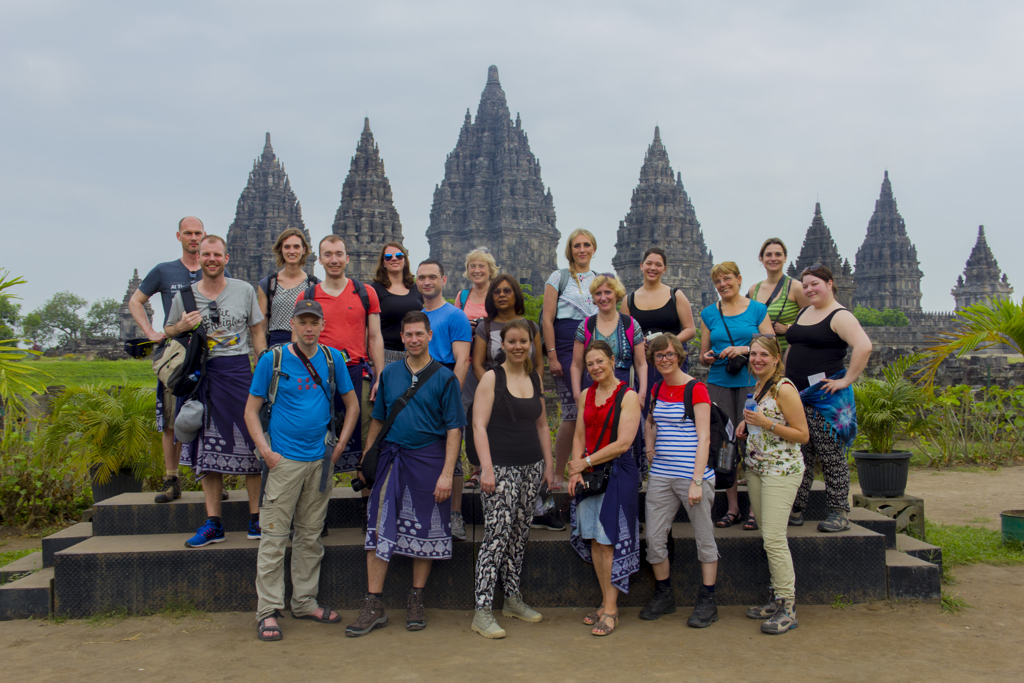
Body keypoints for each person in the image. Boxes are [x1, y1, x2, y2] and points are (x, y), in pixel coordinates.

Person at [245, 299, 361, 642]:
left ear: (322, 325)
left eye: (314, 322)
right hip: (284, 461)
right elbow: (251, 410)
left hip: (320, 459)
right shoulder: (273, 359)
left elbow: (351, 404)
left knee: (310, 535)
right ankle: (267, 610)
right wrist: (266, 452)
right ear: (292, 324)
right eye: (303, 322)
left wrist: (340, 445)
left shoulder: (332, 358)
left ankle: (305, 601)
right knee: (274, 536)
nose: (309, 328)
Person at [345, 311, 465, 637]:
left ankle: (416, 597)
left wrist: (445, 474)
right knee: (377, 525)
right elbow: (380, 419)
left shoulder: (444, 378)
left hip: (429, 459)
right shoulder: (391, 373)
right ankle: (374, 601)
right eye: (408, 335)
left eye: (419, 334)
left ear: (429, 336)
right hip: (391, 457)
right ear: (402, 337)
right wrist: (368, 459)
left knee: (425, 528)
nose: (413, 340)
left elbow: (455, 429)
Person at [164, 235, 267, 547]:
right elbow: (168, 331)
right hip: (201, 376)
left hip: (238, 372)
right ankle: (213, 523)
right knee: (207, 450)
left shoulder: (244, 290)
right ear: (199, 256)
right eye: (206, 254)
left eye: (216, 254)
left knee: (251, 444)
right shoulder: (185, 295)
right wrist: (180, 326)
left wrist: (263, 368)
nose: (211, 259)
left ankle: (256, 518)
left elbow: (257, 330)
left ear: (226, 257)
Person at [470, 319, 554, 638]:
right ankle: (482, 609)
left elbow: (543, 425)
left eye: (524, 341)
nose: (519, 346)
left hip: (530, 466)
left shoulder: (534, 377)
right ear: (501, 345)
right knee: (497, 535)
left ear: (531, 344)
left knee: (519, 534)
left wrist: (548, 465)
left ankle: (512, 599)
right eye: (512, 341)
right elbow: (479, 426)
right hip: (501, 467)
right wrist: (487, 467)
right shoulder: (492, 377)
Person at [640, 333, 719, 628]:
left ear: (680, 356)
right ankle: (664, 593)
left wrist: (697, 480)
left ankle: (708, 598)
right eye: (659, 355)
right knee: (655, 539)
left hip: (691, 475)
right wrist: (650, 446)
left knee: (704, 537)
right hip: (661, 474)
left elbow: (704, 436)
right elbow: (650, 420)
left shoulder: (696, 389)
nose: (664, 360)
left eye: (670, 354)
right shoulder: (658, 388)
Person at [785, 264, 872, 532]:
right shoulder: (803, 312)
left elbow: (864, 346)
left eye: (815, 284)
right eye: (806, 285)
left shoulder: (839, 315)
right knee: (801, 454)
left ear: (830, 284)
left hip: (824, 397)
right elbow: (793, 347)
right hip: (797, 395)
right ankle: (797, 508)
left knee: (830, 454)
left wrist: (846, 380)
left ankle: (839, 511)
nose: (810, 289)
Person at [567, 341, 642, 636]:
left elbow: (623, 443)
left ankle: (611, 610)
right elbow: (578, 434)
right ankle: (604, 602)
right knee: (595, 541)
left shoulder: (628, 396)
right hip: (589, 472)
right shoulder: (586, 394)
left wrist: (584, 462)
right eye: (590, 364)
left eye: (600, 361)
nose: (595, 367)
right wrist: (575, 469)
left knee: (608, 540)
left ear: (613, 361)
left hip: (617, 473)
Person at [130, 216, 206, 504]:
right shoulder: (164, 271)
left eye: (198, 233)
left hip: (206, 355)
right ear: (179, 236)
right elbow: (135, 301)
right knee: (172, 420)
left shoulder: (212, 269)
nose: (193, 238)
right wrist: (151, 332)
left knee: (206, 416)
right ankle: (171, 478)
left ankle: (209, 476)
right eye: (188, 233)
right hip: (176, 354)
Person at [736, 333, 809, 635]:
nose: (757, 360)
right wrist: (746, 423)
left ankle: (787, 606)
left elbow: (802, 434)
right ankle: (776, 596)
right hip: (756, 468)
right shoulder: (759, 386)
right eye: (753, 354)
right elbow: (761, 419)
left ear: (777, 358)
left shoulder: (784, 388)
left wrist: (767, 424)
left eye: (764, 355)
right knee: (768, 535)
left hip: (782, 470)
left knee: (775, 538)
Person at [297, 235, 384, 473]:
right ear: (319, 260)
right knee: (316, 435)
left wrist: (380, 377)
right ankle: (316, 500)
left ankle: (367, 500)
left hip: (357, 370)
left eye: (338, 254)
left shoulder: (365, 293)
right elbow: (298, 342)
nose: (333, 260)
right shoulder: (308, 297)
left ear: (347, 258)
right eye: (328, 255)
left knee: (366, 438)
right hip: (318, 376)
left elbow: (375, 337)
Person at [699, 261, 773, 531]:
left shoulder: (756, 309)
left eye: (727, 279)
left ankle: (755, 508)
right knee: (725, 443)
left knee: (753, 439)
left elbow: (770, 342)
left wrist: (743, 349)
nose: (723, 285)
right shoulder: (709, 313)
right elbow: (703, 354)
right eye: (718, 281)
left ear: (739, 279)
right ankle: (732, 508)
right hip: (719, 382)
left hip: (751, 382)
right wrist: (707, 357)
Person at [464, 276, 544, 493]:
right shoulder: (485, 327)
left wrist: (535, 388)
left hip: (527, 392)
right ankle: (484, 473)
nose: (501, 295)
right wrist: (495, 389)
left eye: (507, 291)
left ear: (516, 295)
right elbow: (478, 364)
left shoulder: (531, 326)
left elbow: (538, 364)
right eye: (497, 291)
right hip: (494, 396)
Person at [417, 259, 472, 541]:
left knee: (453, 452)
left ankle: (455, 514)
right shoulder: (416, 317)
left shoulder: (455, 316)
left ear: (444, 280)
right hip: (419, 389)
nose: (427, 282)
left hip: (447, 383)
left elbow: (462, 359)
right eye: (422, 277)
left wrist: (451, 394)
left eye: (432, 277)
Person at [570, 274, 647, 471]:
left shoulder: (631, 324)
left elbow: (641, 363)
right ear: (593, 298)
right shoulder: (585, 326)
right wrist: (578, 394)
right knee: (594, 435)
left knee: (623, 439)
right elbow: (577, 365)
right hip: (593, 389)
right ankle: (589, 476)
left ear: (616, 294)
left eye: (607, 292)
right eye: (598, 294)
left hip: (624, 389)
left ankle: (627, 482)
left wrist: (642, 392)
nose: (603, 297)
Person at [543, 229, 598, 490]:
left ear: (594, 249)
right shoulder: (559, 277)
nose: (582, 250)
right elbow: (547, 318)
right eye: (577, 245)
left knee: (592, 410)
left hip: (594, 348)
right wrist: (551, 355)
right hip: (564, 347)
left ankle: (587, 467)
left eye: (587, 245)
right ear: (570, 250)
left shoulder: (600, 280)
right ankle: (558, 472)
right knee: (571, 412)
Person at [621, 247, 696, 395]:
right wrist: (638, 343)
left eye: (658, 265)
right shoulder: (628, 300)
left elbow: (690, 329)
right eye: (649, 263)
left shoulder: (675, 295)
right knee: (647, 402)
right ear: (642, 265)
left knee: (675, 399)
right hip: (644, 361)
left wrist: (667, 343)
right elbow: (624, 335)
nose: (653, 268)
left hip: (672, 357)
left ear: (664, 269)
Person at [257, 228, 319, 348]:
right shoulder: (268, 284)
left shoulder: (314, 285)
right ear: (281, 249)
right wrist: (260, 358)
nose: (292, 251)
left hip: (307, 346)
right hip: (276, 347)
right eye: (287, 247)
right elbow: (261, 328)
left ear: (303, 249)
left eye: (296, 247)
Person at [746, 238, 809, 353]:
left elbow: (813, 320)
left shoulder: (796, 287)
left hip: (790, 355)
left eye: (778, 254)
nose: (773, 258)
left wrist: (787, 328)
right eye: (768, 255)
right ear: (762, 259)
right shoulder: (754, 290)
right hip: (763, 357)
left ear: (785, 258)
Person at [369, 241, 423, 366]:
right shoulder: (375, 289)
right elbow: (369, 329)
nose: (394, 259)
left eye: (399, 256)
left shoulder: (415, 288)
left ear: (405, 260)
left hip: (415, 354)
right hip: (386, 355)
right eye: (388, 257)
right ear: (383, 262)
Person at [454, 247, 498, 335]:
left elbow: (507, 324)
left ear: (490, 269)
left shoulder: (498, 295)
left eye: (481, 266)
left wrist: (482, 326)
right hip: (466, 346)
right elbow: (454, 326)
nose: (477, 271)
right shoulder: (462, 296)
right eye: (472, 266)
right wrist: (465, 326)